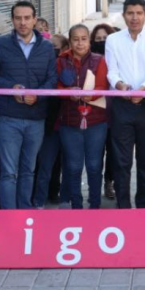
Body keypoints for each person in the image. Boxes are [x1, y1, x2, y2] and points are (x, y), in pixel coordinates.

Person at [0, 1, 57, 210]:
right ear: (12, 20)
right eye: (18, 18)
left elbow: (52, 79)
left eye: (26, 18)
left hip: (36, 119)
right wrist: (10, 87)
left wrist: (38, 96)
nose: (22, 22)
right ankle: (8, 214)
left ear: (35, 19)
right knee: (8, 172)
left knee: (28, 170)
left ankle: (24, 212)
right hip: (8, 118)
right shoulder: (1, 44)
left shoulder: (47, 47)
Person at [105, 0, 145, 209]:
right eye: (130, 13)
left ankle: (142, 205)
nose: (134, 17)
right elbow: (112, 71)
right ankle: (123, 206)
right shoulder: (113, 40)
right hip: (122, 106)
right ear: (123, 16)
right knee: (122, 162)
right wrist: (119, 85)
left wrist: (144, 90)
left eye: (139, 13)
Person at [57, 24, 110, 209]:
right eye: (76, 39)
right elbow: (55, 86)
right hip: (70, 122)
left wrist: (93, 94)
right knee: (73, 167)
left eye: (84, 38)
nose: (80, 43)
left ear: (90, 40)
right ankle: (76, 206)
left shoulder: (100, 60)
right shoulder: (61, 60)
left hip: (96, 121)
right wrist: (66, 92)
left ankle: (94, 205)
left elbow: (104, 87)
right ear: (70, 42)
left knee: (95, 166)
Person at [34, 33, 67, 209]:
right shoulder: (45, 67)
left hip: (70, 126)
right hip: (50, 127)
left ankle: (64, 199)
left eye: (55, 47)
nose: (52, 50)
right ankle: (39, 201)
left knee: (70, 167)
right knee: (45, 166)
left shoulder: (68, 67)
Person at [90, 23, 117, 201]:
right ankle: (94, 187)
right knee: (96, 153)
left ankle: (110, 183)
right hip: (95, 113)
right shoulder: (90, 60)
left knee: (113, 153)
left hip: (116, 113)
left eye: (105, 39)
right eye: (98, 39)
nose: (102, 42)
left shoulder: (118, 57)